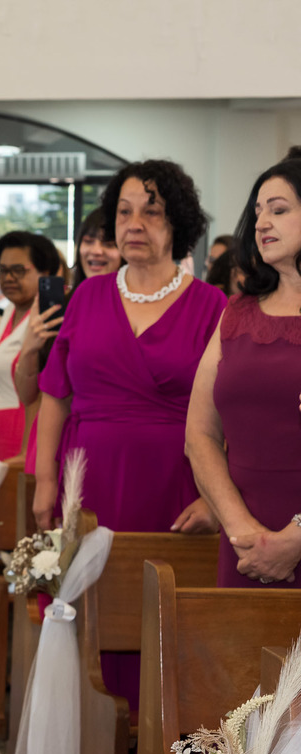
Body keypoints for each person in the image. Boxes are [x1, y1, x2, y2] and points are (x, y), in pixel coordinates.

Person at [34, 160, 225, 535]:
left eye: (151, 211)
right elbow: (55, 395)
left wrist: (217, 498)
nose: (134, 223)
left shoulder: (212, 305)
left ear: (178, 223)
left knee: (166, 591)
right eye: (124, 211)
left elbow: (233, 415)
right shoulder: (88, 295)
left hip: (177, 480)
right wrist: (44, 480)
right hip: (87, 478)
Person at [187, 159, 301, 588]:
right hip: (246, 547)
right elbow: (199, 434)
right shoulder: (237, 314)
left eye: (279, 209)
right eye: (257, 213)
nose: (262, 222)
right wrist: (242, 531)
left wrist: (296, 538)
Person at [0, 230, 60, 462]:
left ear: (45, 273)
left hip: (30, 427)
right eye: (3, 270)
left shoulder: (48, 318)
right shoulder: (8, 311)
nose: (8, 278)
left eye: (18, 270)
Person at [69, 207, 123, 290]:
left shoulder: (137, 301)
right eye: (88, 241)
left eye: (109, 244)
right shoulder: (69, 301)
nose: (96, 251)